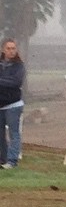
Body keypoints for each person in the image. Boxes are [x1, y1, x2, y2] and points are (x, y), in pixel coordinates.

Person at [0, 38, 25, 169]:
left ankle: (12, 161)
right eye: (8, 48)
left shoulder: (19, 66)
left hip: (14, 105)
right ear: (3, 50)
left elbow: (16, 82)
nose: (11, 51)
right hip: (0, 106)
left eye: (13, 48)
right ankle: (2, 160)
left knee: (14, 133)